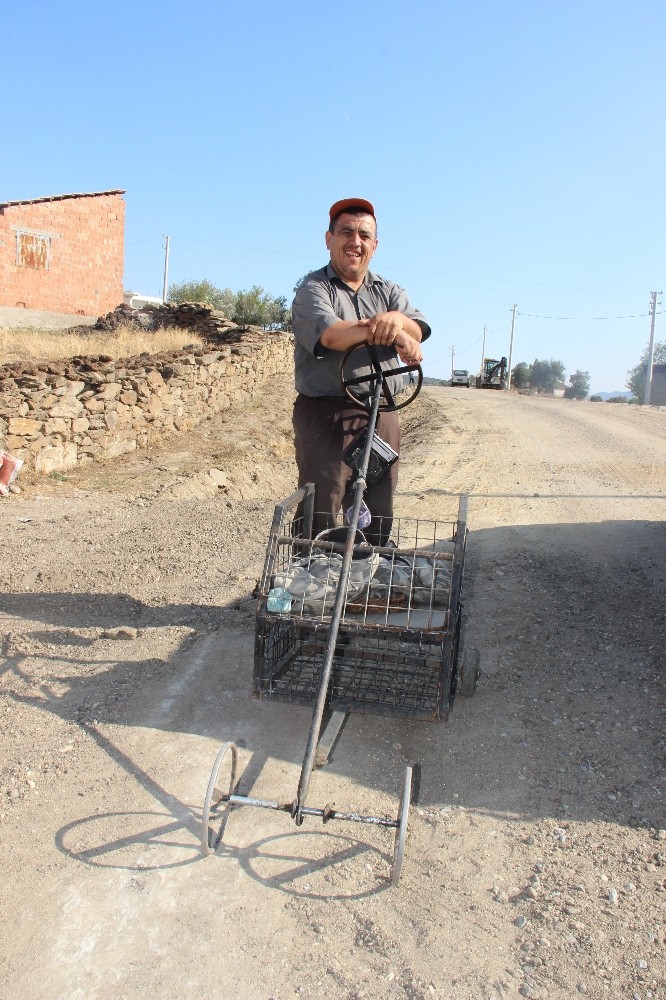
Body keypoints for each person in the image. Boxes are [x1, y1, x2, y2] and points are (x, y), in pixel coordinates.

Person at [291, 198, 431, 545]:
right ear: (329, 239)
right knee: (323, 502)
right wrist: (391, 330)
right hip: (327, 414)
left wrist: (399, 322)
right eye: (346, 232)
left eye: (364, 235)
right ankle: (310, 581)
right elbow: (333, 335)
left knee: (378, 501)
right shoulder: (313, 290)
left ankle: (369, 581)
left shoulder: (390, 291)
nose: (355, 241)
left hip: (382, 413)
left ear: (375, 245)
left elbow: (419, 329)